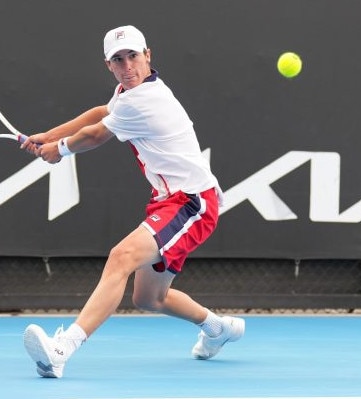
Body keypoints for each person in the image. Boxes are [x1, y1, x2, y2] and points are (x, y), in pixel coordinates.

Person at [20, 25, 244, 379]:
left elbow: (96, 134)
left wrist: (59, 150)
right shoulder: (127, 92)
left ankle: (62, 349)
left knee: (121, 257)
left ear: (148, 56)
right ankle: (218, 329)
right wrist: (51, 134)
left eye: (133, 57)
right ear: (109, 65)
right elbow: (100, 113)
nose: (128, 66)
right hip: (168, 201)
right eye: (118, 60)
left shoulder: (145, 99)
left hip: (191, 203)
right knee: (148, 299)